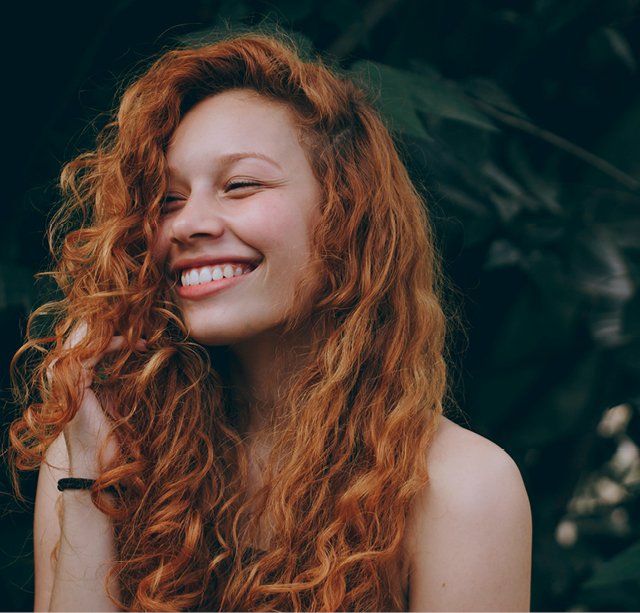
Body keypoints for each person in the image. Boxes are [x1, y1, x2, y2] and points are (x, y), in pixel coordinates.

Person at [10, 33, 532, 612]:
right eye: (168, 198)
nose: (188, 225)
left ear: (347, 216)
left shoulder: (462, 487)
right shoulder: (98, 452)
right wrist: (89, 476)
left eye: (241, 185)